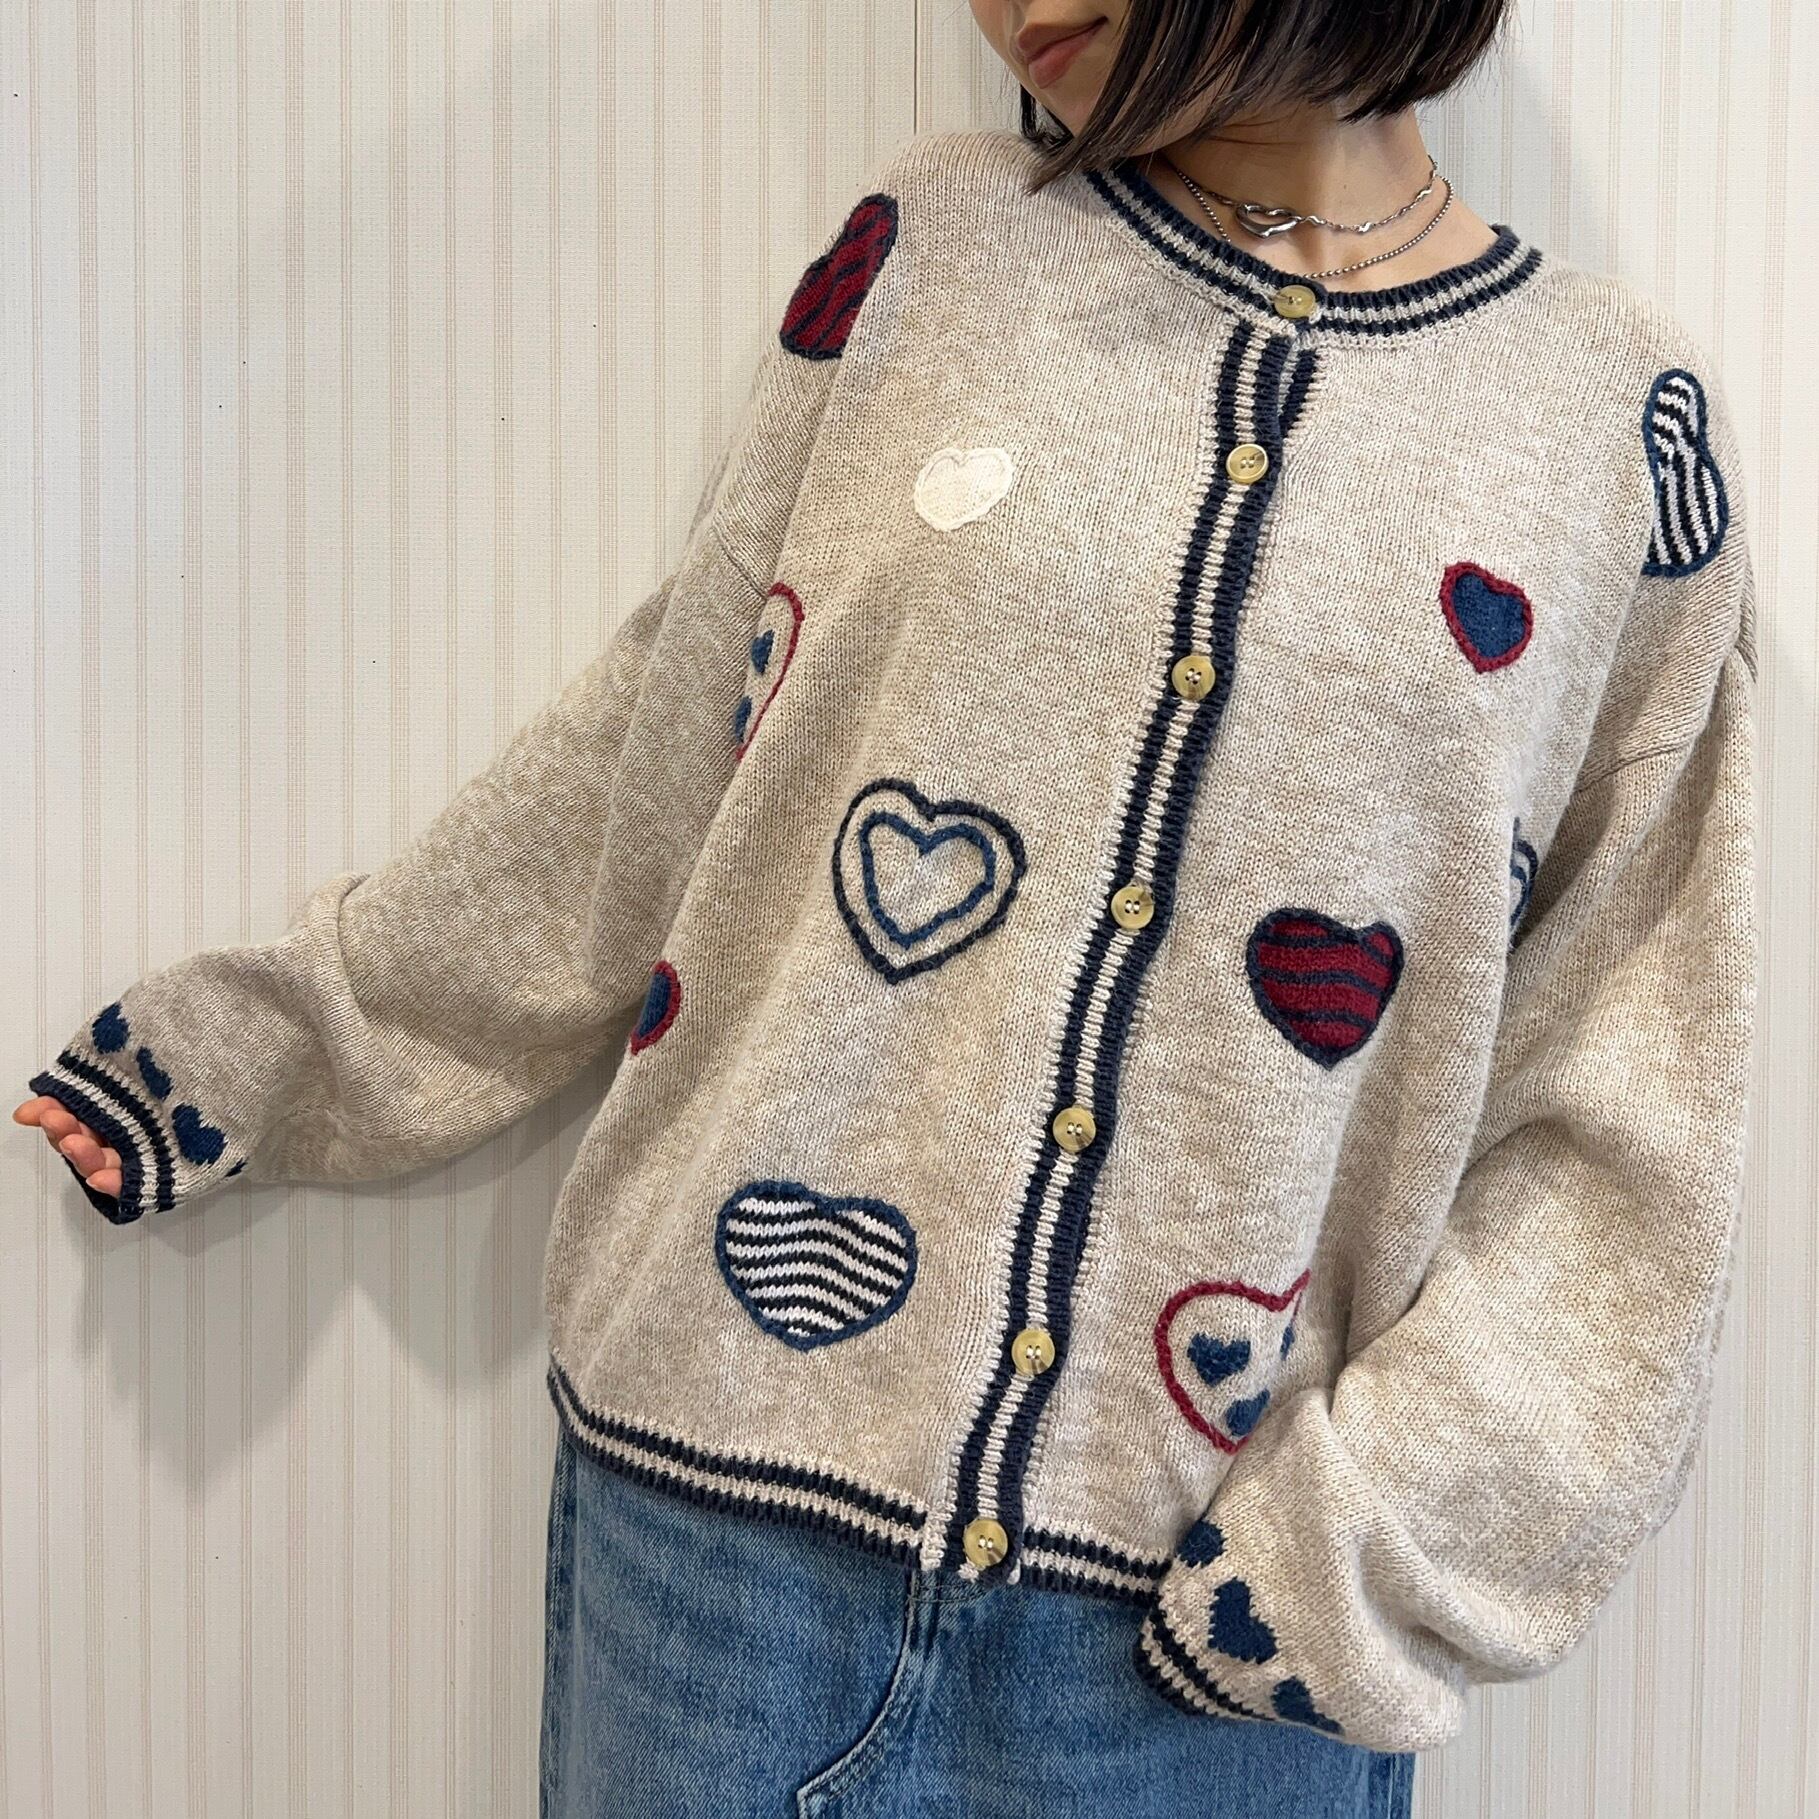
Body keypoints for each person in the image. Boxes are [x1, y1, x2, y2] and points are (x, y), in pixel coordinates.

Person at [16, 0, 1760, 1813]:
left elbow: (1631, 1090)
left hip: (1215, 1658)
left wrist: (1377, 1550)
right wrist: (298, 1036)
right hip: (718, 1555)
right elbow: (673, 731)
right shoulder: (940, 249)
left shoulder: (1612, 432)